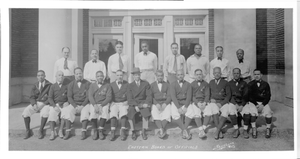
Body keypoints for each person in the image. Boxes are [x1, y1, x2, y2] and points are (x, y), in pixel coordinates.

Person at [242, 69, 272, 138]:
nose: (256, 76)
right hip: (253, 102)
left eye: (258, 74)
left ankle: (268, 128)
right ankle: (254, 128)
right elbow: (249, 96)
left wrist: (263, 105)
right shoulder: (250, 84)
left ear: (261, 75)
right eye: (255, 74)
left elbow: (268, 96)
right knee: (252, 112)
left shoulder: (266, 84)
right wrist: (256, 104)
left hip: (263, 102)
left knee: (268, 112)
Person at [22, 70, 52, 139]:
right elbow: (32, 97)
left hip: (45, 103)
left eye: (42, 75)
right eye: (39, 75)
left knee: (45, 113)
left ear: (45, 76)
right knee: (26, 112)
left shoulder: (49, 85)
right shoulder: (35, 85)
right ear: (37, 77)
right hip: (37, 102)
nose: (40, 77)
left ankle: (41, 130)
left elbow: (51, 97)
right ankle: (27, 130)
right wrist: (34, 104)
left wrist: (44, 104)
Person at [82, 71, 112, 140]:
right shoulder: (92, 85)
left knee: (104, 111)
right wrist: (95, 105)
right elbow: (90, 96)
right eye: (98, 76)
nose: (100, 77)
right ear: (96, 77)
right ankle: (95, 130)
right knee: (93, 111)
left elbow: (109, 97)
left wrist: (101, 105)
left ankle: (100, 129)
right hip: (94, 103)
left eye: (101, 76)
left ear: (103, 77)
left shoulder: (107, 85)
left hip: (103, 103)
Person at [62, 67, 90, 140]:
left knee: (85, 112)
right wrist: (75, 106)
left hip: (84, 104)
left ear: (82, 74)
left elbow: (88, 97)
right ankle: (68, 131)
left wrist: (82, 106)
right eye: (77, 74)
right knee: (68, 111)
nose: (79, 75)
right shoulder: (71, 84)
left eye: (80, 73)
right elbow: (69, 97)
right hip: (74, 104)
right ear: (74, 75)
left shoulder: (87, 83)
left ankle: (84, 131)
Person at [127, 67, 152, 140]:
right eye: (135, 75)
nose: (137, 76)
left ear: (140, 75)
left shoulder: (145, 84)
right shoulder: (130, 85)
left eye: (138, 75)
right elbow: (129, 98)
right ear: (133, 76)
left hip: (143, 102)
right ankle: (133, 131)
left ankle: (144, 131)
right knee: (130, 112)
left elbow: (149, 95)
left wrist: (146, 103)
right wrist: (135, 105)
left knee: (146, 111)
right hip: (134, 103)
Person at [207, 67, 232, 140]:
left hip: (223, 102)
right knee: (214, 110)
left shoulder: (225, 82)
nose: (217, 74)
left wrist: (222, 103)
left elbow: (228, 95)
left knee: (225, 111)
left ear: (221, 73)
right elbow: (208, 94)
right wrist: (211, 99)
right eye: (215, 73)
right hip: (214, 102)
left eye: (218, 73)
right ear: (213, 74)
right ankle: (220, 130)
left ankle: (217, 130)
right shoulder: (211, 82)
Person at [47, 71, 71, 140]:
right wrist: (54, 106)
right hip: (55, 104)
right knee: (52, 113)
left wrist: (67, 102)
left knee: (64, 113)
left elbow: (69, 96)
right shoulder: (53, 86)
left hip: (64, 104)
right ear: (56, 76)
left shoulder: (66, 86)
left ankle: (60, 130)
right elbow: (50, 98)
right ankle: (52, 132)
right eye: (59, 75)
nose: (61, 76)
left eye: (62, 75)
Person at [170, 69, 192, 140]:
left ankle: (183, 130)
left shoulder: (188, 84)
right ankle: (184, 129)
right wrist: (178, 107)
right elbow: (173, 97)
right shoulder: (173, 84)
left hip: (185, 102)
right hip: (177, 103)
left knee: (190, 112)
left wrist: (186, 107)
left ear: (184, 75)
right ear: (176, 76)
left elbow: (189, 97)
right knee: (174, 114)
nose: (180, 76)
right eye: (178, 75)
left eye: (181, 74)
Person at [228, 68, 249, 138]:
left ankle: (245, 130)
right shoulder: (229, 83)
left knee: (247, 112)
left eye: (237, 73)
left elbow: (246, 96)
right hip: (233, 102)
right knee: (232, 111)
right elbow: (229, 95)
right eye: (235, 73)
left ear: (240, 74)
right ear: (232, 74)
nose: (236, 75)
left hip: (242, 103)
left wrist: (242, 105)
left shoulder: (244, 83)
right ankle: (236, 129)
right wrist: (235, 104)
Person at [150, 70, 171, 139]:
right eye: (158, 76)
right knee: (154, 111)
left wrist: (165, 103)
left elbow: (169, 96)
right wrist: (156, 104)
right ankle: (161, 128)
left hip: (165, 103)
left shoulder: (167, 84)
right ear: (156, 76)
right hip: (156, 103)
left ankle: (161, 129)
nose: (160, 77)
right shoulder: (152, 85)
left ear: (163, 76)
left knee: (168, 111)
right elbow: (151, 96)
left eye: (161, 76)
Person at [109, 70, 129, 141]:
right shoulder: (111, 84)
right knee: (113, 112)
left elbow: (130, 94)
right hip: (115, 102)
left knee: (123, 111)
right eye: (118, 75)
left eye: (121, 75)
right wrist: (111, 102)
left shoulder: (126, 84)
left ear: (123, 76)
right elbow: (109, 95)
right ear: (115, 76)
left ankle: (123, 131)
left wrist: (127, 101)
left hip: (123, 102)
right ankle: (113, 131)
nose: (119, 77)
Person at [190, 69, 210, 139]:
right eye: (197, 74)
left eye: (200, 74)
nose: (199, 76)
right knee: (196, 113)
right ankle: (201, 130)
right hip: (196, 102)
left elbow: (207, 95)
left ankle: (202, 129)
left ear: (202, 75)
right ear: (195, 76)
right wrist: (197, 103)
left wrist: (204, 102)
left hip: (204, 101)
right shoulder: (192, 84)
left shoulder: (206, 84)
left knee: (208, 112)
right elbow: (191, 96)